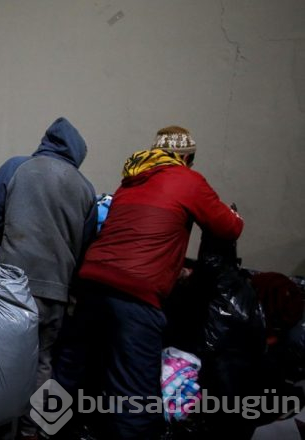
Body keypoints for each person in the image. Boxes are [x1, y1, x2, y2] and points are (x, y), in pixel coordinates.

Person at [53, 126, 244, 439]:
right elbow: (228, 227)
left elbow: (139, 237)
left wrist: (174, 269)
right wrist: (236, 216)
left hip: (92, 282)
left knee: (70, 367)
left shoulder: (131, 180)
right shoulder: (187, 180)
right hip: (135, 296)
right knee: (134, 389)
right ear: (185, 157)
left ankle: (37, 430)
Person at [0, 117, 97, 440]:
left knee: (2, 360)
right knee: (43, 362)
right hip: (55, 293)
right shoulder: (86, 189)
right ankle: (34, 433)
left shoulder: (17, 166)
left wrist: (11, 244)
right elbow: (86, 245)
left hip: (12, 287)